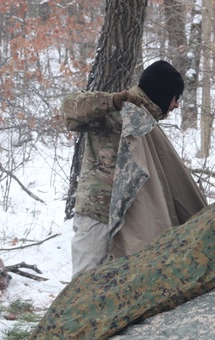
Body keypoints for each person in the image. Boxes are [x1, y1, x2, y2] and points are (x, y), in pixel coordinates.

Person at [63, 60, 207, 278]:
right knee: (85, 285)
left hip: (131, 219)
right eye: (176, 97)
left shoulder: (148, 126)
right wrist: (112, 101)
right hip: (100, 214)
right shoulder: (115, 112)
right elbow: (70, 109)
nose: (176, 105)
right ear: (163, 91)